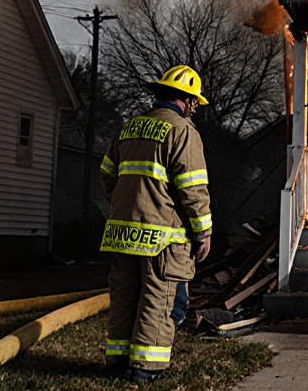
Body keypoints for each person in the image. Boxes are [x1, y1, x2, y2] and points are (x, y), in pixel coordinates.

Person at [100, 65, 213, 386]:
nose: (193, 109)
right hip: (162, 238)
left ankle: (118, 363)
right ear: (186, 101)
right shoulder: (182, 131)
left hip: (121, 234)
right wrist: (203, 233)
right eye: (194, 103)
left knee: (125, 297)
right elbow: (192, 190)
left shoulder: (129, 128)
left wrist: (126, 205)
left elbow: (107, 173)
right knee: (159, 299)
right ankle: (145, 369)